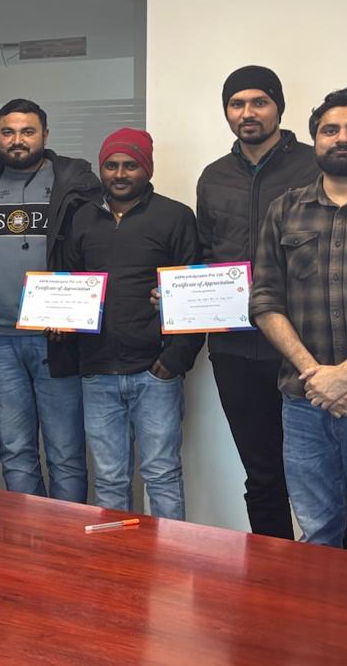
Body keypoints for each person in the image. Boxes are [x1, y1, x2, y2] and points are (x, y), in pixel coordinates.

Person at [195, 66, 317, 538]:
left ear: (278, 107)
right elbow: (207, 255)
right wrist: (182, 295)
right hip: (235, 349)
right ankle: (273, 571)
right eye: (236, 104)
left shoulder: (314, 166)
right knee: (262, 475)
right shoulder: (213, 177)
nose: (247, 113)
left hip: (306, 347)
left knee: (324, 473)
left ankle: (335, 570)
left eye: (259, 102)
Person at [0, 98, 99, 502]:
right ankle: (29, 536)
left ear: (45, 135)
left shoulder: (74, 183)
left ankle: (65, 535)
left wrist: (75, 314)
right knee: (15, 452)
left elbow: (94, 253)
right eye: (8, 132)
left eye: (27, 131)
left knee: (66, 454)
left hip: (55, 340)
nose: (17, 140)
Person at [69, 128, 202, 519]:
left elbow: (195, 293)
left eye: (130, 165)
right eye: (111, 165)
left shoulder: (175, 216)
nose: (119, 174)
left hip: (154, 372)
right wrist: (61, 321)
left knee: (162, 475)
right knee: (109, 479)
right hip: (97, 371)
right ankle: (118, 556)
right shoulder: (82, 218)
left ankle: (170, 555)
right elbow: (70, 283)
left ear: (147, 169)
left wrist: (175, 360)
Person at [251, 87, 347, 547]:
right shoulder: (285, 210)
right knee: (317, 532)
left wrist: (346, 375)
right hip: (304, 402)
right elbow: (264, 301)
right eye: (330, 130)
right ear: (315, 140)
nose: (342, 137)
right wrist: (318, 375)